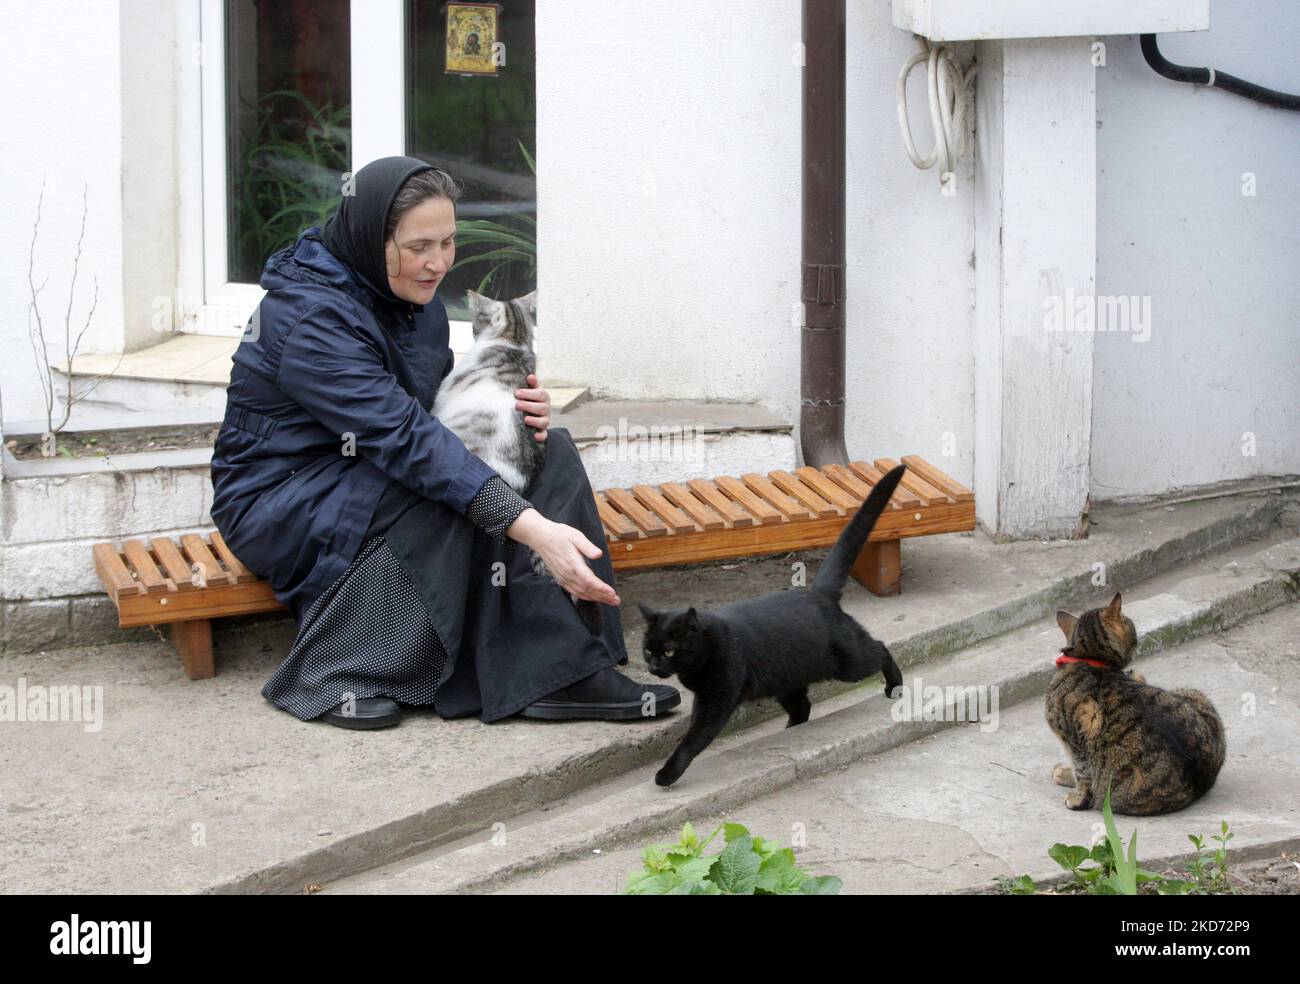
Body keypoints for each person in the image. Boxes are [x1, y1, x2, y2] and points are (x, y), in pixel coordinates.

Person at [209, 155, 680, 729]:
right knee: (437, 486)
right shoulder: (308, 319)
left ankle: (568, 666)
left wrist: (516, 408)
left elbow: (432, 404)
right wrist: (534, 529)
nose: (438, 264)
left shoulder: (410, 296)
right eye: (418, 246)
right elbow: (405, 440)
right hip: (284, 497)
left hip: (373, 469)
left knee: (546, 448)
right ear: (369, 238)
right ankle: (344, 669)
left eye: (449, 242)